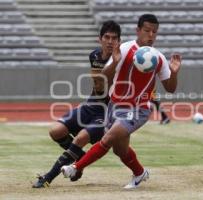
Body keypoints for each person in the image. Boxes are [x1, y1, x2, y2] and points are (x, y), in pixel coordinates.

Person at [61, 14, 182, 189]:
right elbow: (103, 79)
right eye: (147, 30)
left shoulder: (159, 58)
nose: (151, 35)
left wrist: (175, 73)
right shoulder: (124, 49)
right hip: (115, 106)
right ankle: (140, 173)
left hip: (139, 108)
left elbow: (170, 88)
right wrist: (115, 62)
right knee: (120, 150)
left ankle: (75, 167)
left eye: (154, 32)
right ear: (138, 31)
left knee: (108, 138)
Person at [32, 20, 121, 188]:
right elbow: (99, 86)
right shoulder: (94, 55)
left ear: (119, 42)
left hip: (108, 112)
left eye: (114, 38)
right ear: (100, 39)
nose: (110, 41)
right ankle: (80, 158)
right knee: (55, 131)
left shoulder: (123, 60)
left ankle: (48, 178)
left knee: (80, 138)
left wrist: (116, 63)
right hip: (91, 105)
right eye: (107, 37)